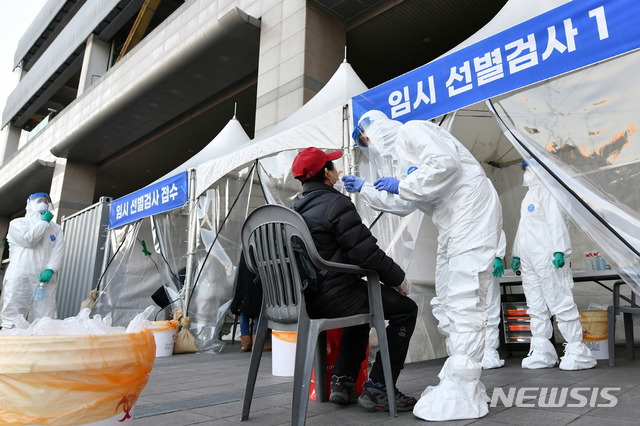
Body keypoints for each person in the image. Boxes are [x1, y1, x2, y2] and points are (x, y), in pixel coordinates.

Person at [342, 110, 502, 421]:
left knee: (463, 296)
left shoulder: (413, 130)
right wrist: (366, 189)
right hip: (452, 222)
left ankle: (464, 383)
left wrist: (405, 182)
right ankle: (460, 374)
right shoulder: (401, 159)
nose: (368, 144)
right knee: (446, 293)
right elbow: (404, 203)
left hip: (470, 210)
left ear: (377, 126)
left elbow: (446, 164)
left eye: (366, 136)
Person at [291, 147, 418, 412]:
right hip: (335, 296)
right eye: (333, 166)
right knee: (406, 310)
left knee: (361, 307)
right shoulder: (335, 204)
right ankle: (379, 388)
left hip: (306, 300)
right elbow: (365, 252)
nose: (337, 171)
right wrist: (398, 279)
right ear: (326, 174)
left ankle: (342, 382)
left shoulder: (294, 211)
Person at [511, 162, 596, 370]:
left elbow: (556, 222)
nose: (527, 173)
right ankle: (542, 351)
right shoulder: (529, 195)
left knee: (560, 302)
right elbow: (523, 228)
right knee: (536, 306)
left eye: (529, 169)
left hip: (547, 256)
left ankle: (577, 351)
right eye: (525, 169)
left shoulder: (550, 191)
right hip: (530, 259)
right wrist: (516, 254)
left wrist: (560, 250)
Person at [1, 193, 64, 328]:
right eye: (39, 201)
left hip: (44, 278)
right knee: (14, 311)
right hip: (20, 275)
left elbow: (58, 251)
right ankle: (9, 344)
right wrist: (43, 223)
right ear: (29, 204)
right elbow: (29, 240)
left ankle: (43, 344)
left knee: (46, 316)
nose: (44, 203)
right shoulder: (17, 223)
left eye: (46, 201)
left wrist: (51, 269)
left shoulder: (56, 228)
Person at [483, 230, 506, 369]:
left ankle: (489, 351)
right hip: (469, 265)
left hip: (488, 262)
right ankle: (475, 351)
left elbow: (496, 229)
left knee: (490, 306)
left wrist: (498, 255)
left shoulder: (487, 210)